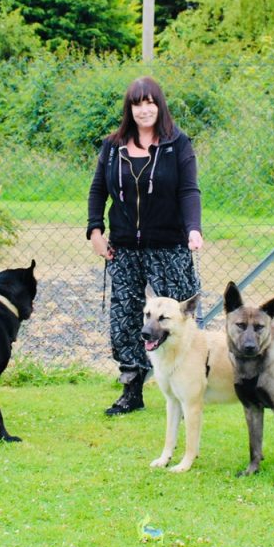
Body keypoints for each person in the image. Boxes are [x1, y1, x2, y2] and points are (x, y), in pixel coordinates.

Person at [87, 76, 204, 416]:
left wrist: (193, 229)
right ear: (130, 108)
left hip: (169, 245)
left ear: (159, 105)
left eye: (150, 102)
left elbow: (189, 191)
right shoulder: (113, 147)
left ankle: (187, 386)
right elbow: (98, 190)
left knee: (178, 317)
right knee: (126, 318)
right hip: (123, 247)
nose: (144, 109)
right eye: (137, 103)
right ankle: (131, 389)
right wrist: (95, 230)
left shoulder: (177, 144)